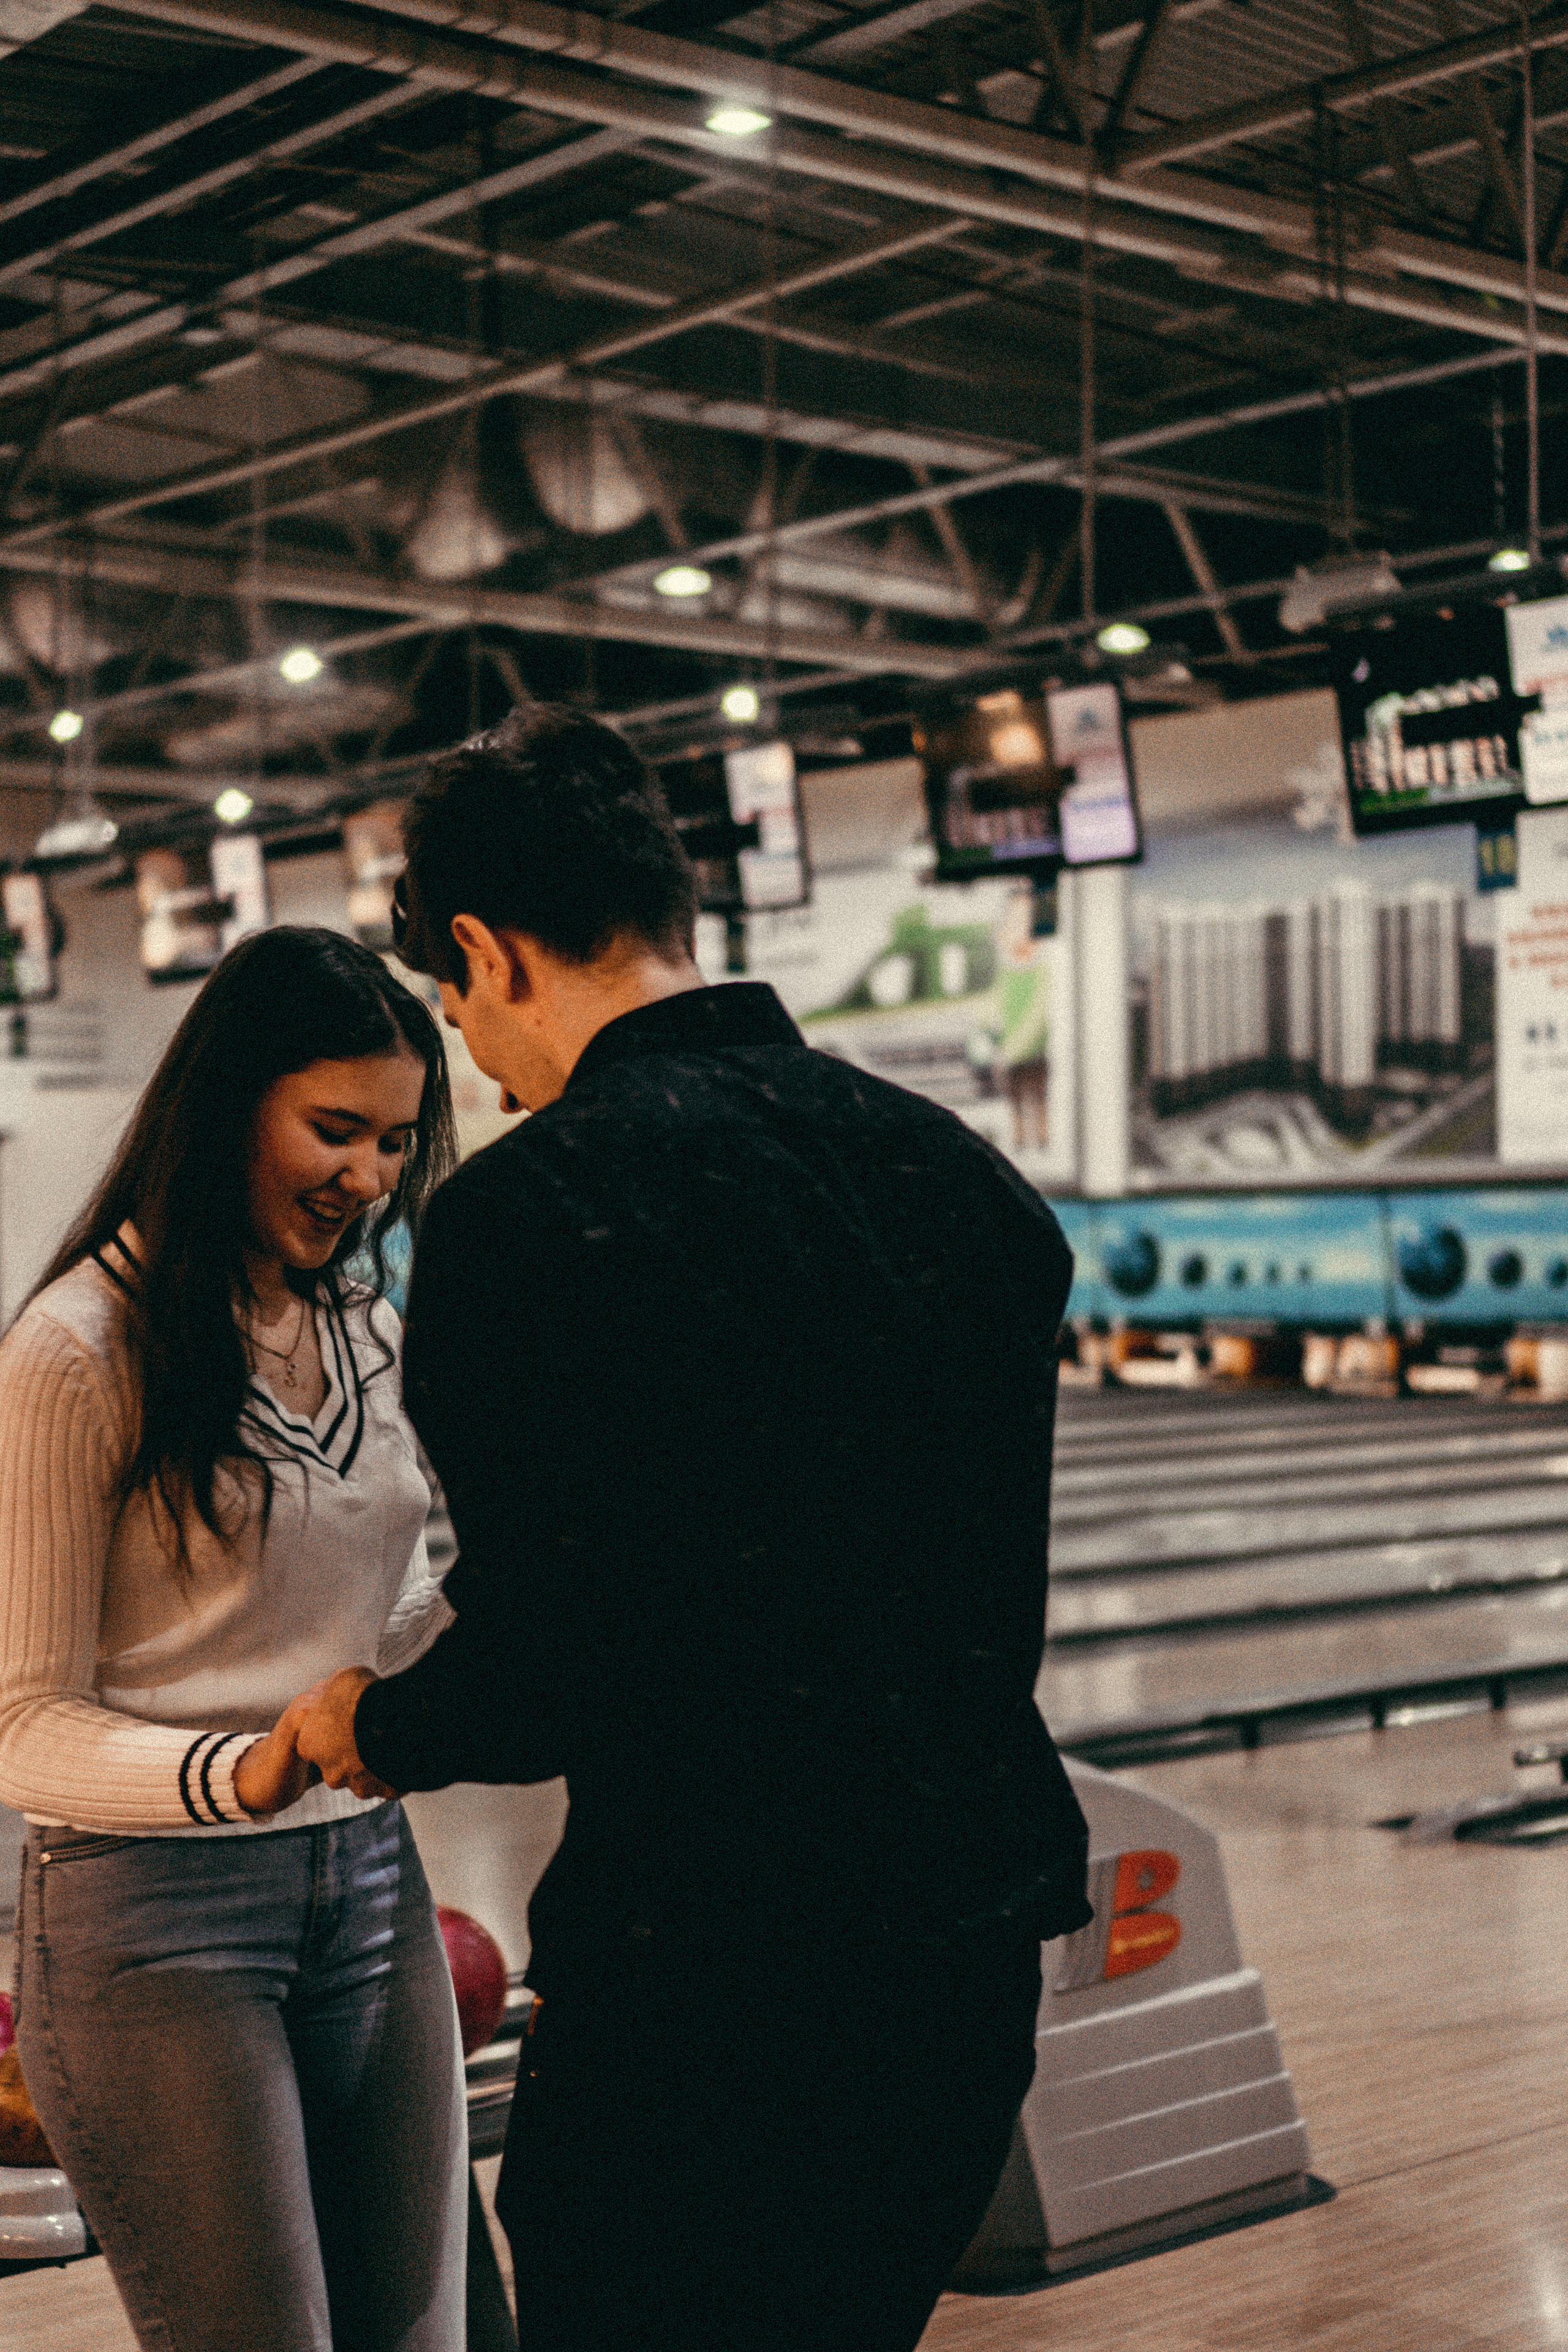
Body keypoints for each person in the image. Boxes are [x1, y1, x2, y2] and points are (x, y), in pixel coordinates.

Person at [298, 704, 1092, 2352]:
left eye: (454, 1005)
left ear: (481, 953)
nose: (472, 1049)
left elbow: (551, 1660)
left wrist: (370, 1724)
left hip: (716, 1991)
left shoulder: (529, 1213)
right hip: (964, 1969)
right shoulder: (958, 1174)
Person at [0, 925, 467, 2352]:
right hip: (155, 1921)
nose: (371, 1178)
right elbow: (22, 1719)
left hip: (369, 1886)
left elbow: (368, 1621)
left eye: (395, 1141)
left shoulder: (363, 1328)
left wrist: (502, 1587)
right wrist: (240, 1771)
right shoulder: (78, 1349)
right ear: (227, 1106)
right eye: (335, 1130)